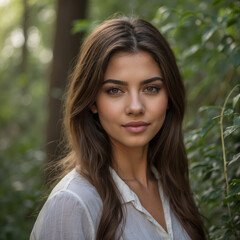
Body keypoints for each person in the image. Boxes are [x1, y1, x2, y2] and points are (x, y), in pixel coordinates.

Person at [30, 16, 206, 240]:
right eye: (115, 90)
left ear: (170, 97)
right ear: (92, 101)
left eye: (151, 88)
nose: (135, 107)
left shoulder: (178, 192)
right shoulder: (73, 203)